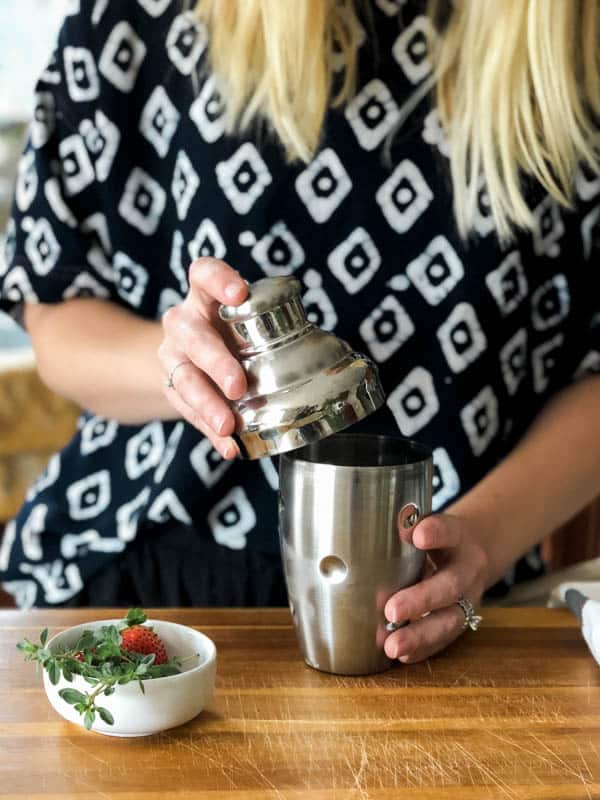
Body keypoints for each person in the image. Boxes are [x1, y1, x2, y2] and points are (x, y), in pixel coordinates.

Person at [1, 0, 599, 665]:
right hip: (155, 566)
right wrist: (184, 365)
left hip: (439, 594)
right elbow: (55, 308)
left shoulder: (575, 40)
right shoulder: (143, 16)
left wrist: (484, 537)